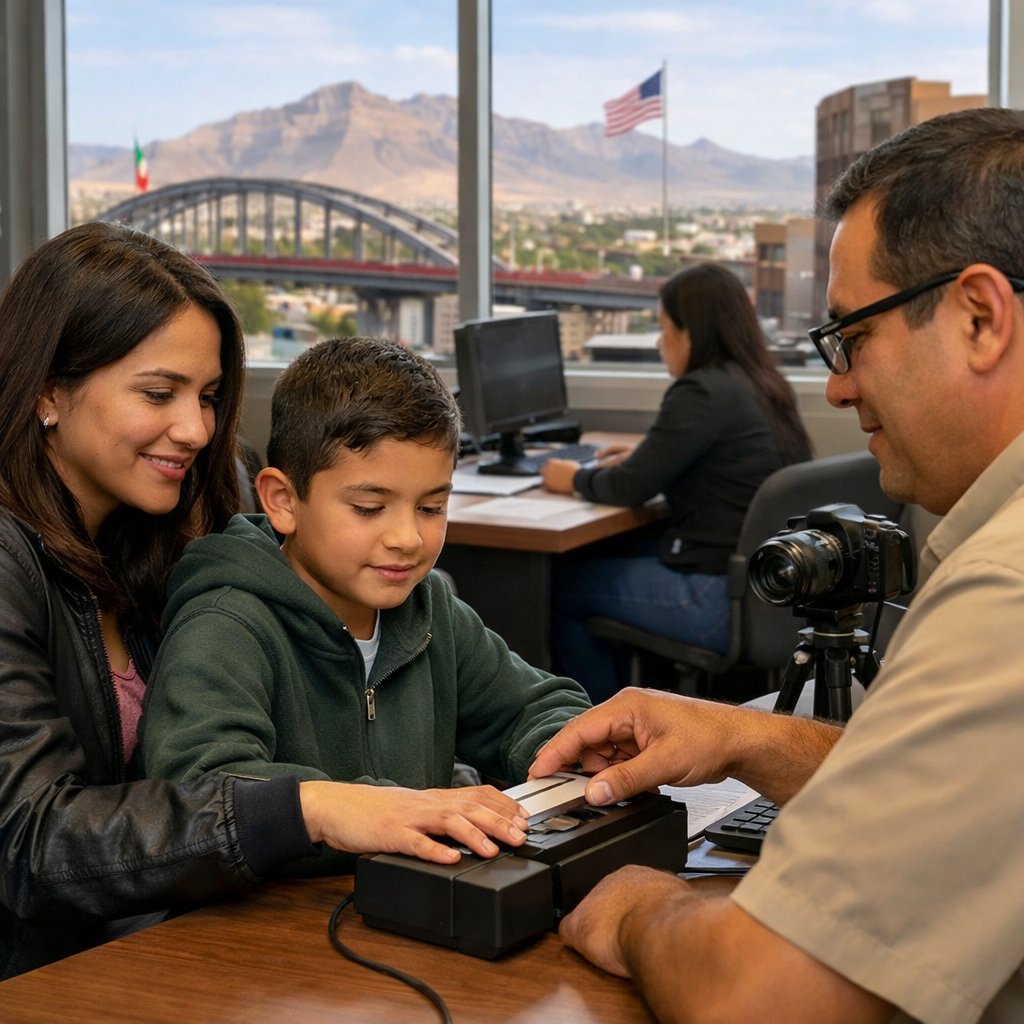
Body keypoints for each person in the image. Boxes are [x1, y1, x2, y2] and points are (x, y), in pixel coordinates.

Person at [528, 106, 1024, 1023]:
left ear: (980, 317)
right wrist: (747, 738)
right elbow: (951, 787)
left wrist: (644, 905)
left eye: (852, 336)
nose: (837, 386)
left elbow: (758, 997)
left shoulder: (1009, 595)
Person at [0, 223, 532, 980]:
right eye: (159, 393)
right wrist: (312, 805)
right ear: (49, 389)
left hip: (171, 942)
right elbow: (27, 844)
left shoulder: (159, 534)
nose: (196, 429)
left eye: (210, 396)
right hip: (49, 979)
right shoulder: (9, 561)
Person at [139, 335, 591, 874]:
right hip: (270, 927)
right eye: (369, 508)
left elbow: (525, 707)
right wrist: (380, 806)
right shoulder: (226, 626)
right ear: (283, 501)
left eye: (431, 506)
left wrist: (574, 746)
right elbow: (201, 795)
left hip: (401, 904)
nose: (407, 538)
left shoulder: (428, 609)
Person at [540, 262, 811, 701]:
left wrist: (572, 477)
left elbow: (628, 488)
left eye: (665, 328)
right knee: (606, 555)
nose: (660, 341)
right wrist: (646, 457)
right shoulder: (761, 381)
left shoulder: (700, 392)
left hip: (716, 597)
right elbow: (690, 460)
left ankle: (602, 731)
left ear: (692, 333)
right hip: (765, 594)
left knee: (561, 586)